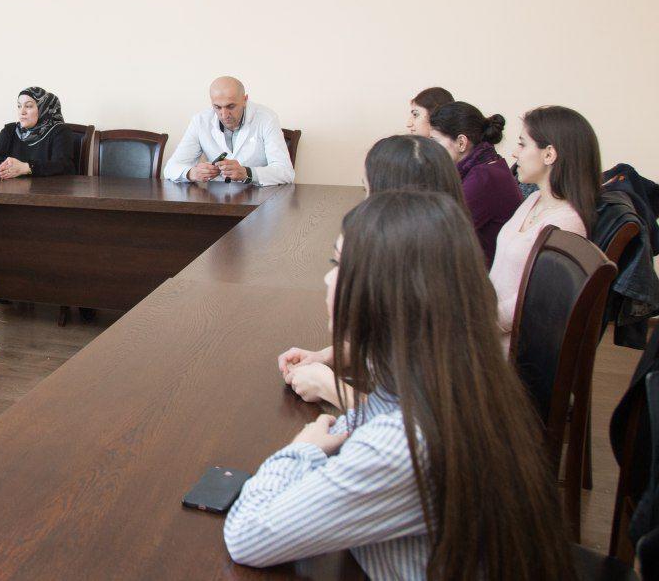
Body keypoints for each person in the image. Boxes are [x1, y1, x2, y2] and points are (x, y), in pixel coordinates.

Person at [227, 191, 574, 578]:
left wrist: (301, 449)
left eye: (339, 264)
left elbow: (248, 535)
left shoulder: (405, 443)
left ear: (385, 293)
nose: (327, 278)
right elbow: (373, 416)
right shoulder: (461, 375)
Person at [281, 135, 465, 408]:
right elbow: (386, 347)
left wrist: (330, 387)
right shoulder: (443, 260)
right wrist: (326, 357)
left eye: (368, 190)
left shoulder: (437, 298)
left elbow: (411, 425)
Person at [491, 105, 600, 353]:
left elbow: (528, 303)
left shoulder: (566, 226)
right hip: (487, 332)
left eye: (522, 144)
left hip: (506, 353)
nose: (515, 153)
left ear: (549, 154)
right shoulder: (533, 200)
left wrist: (468, 321)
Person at [427, 102, 522, 266]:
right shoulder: (488, 164)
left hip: (484, 275)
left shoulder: (483, 178)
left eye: (435, 142)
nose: (431, 150)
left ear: (461, 142)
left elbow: (441, 234)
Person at [163, 76, 294, 185]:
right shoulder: (200, 121)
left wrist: (247, 173)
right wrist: (191, 173)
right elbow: (170, 168)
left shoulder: (267, 119)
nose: (224, 115)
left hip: (259, 201)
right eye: (217, 107)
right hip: (215, 202)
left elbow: (286, 173)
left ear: (245, 100)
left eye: (230, 106)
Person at [0, 87, 75, 178]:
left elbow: (64, 166)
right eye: (19, 106)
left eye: (28, 106)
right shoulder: (10, 130)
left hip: (46, 190)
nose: (22, 112)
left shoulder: (60, 131)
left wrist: (26, 168)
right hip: (12, 189)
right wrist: (9, 168)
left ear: (43, 108)